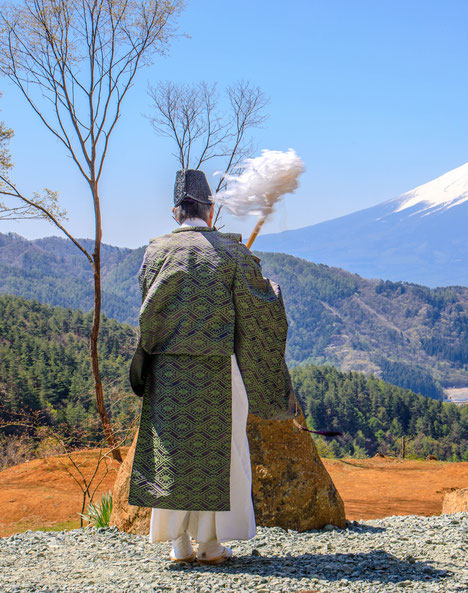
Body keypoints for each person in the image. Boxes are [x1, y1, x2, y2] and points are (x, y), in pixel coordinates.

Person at [128, 169, 297, 565]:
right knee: (220, 454)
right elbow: (261, 309)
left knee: (173, 454)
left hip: (167, 371)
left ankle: (178, 544)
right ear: (211, 209)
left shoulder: (155, 251)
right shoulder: (232, 252)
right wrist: (272, 288)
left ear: (176, 213)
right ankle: (210, 544)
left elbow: (149, 309)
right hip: (218, 370)